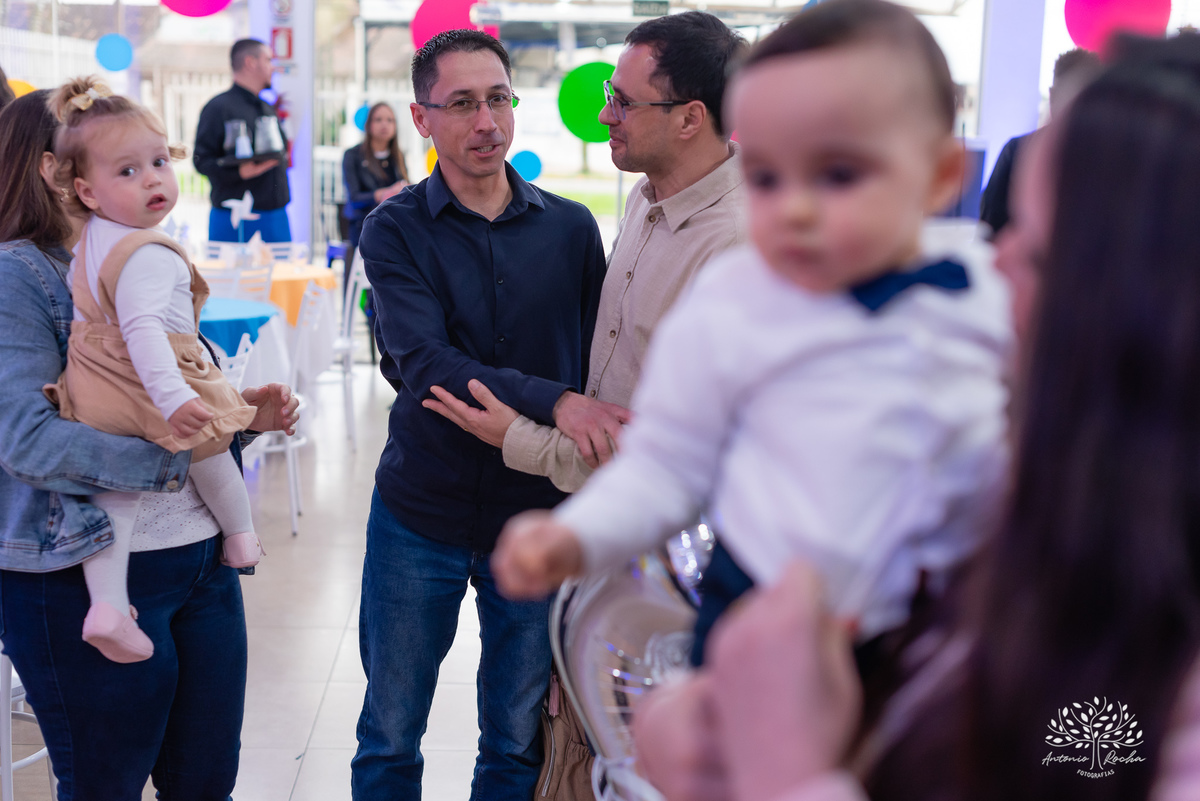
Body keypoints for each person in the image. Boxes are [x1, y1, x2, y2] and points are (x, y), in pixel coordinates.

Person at [633, 31, 1200, 801]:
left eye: (1034, 250)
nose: (994, 262)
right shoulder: (1026, 492)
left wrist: (783, 771)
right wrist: (702, 727)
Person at [492, 0, 1011, 668]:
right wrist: (578, 536)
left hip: (921, 633)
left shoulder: (977, 305)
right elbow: (666, 461)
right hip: (750, 610)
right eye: (765, 176)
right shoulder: (735, 297)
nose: (793, 207)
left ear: (939, 176)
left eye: (839, 173)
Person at [0, 87, 298, 799]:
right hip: (82, 570)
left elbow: (173, 393)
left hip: (200, 563)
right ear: (59, 172)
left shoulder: (139, 253)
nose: (143, 176)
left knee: (205, 781)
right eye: (117, 160)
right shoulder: (20, 274)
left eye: (150, 160)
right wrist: (178, 453)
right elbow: (27, 440)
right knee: (106, 784)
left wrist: (239, 417)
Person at [351, 29, 616, 800]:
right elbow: (426, 365)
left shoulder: (571, 228)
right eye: (463, 103)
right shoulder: (393, 229)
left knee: (514, 739)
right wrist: (557, 399)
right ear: (421, 117)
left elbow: (596, 362)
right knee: (390, 734)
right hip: (419, 509)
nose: (487, 122)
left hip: (536, 511)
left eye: (498, 98)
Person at [425, 10, 748, 488]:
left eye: (624, 103)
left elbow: (692, 451)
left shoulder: (739, 249)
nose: (604, 115)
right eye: (609, 95)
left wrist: (520, 437)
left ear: (689, 119)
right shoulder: (647, 197)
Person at [42, 77, 266, 664]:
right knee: (211, 448)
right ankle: (241, 537)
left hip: (93, 380)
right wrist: (172, 398)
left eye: (159, 162)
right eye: (128, 171)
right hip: (150, 376)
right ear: (86, 191)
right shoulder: (147, 252)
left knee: (115, 492)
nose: (152, 180)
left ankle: (108, 605)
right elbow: (143, 330)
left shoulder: (91, 240)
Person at [978, 47, 1099, 237]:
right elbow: (990, 229)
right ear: (1052, 96)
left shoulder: (1018, 151)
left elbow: (990, 230)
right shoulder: (1016, 152)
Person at [193, 38, 291, 242]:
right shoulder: (217, 108)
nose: (273, 67)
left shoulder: (266, 107)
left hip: (275, 217)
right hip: (233, 219)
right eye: (268, 60)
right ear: (250, 62)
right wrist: (238, 172)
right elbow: (201, 161)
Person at [342, 101, 409, 277]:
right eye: (378, 119)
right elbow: (354, 198)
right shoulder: (353, 155)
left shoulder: (398, 156)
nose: (384, 125)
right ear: (369, 124)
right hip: (362, 225)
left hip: (394, 226)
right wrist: (383, 194)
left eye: (390, 120)